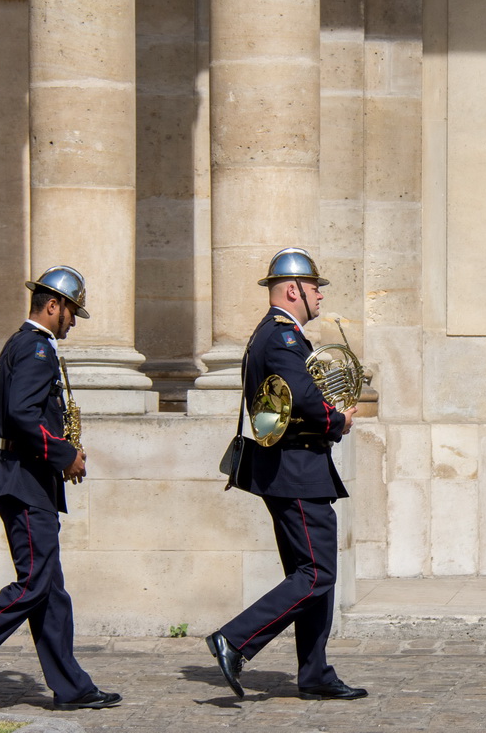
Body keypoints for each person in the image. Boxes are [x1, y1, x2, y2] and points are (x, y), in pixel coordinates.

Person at [0, 267, 122, 711]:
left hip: (26, 477)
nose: (72, 322)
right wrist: (64, 454)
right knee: (34, 582)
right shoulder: (35, 348)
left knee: (50, 589)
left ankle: (72, 687)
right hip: (26, 480)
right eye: (71, 313)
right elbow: (21, 416)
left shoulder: (25, 344)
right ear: (53, 306)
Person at [206, 247, 362, 701]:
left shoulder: (274, 336)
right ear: (293, 290)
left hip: (296, 469)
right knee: (316, 574)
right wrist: (338, 420)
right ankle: (234, 639)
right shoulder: (282, 337)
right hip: (297, 470)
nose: (320, 297)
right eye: (316, 289)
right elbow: (304, 397)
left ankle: (315, 674)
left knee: (312, 574)